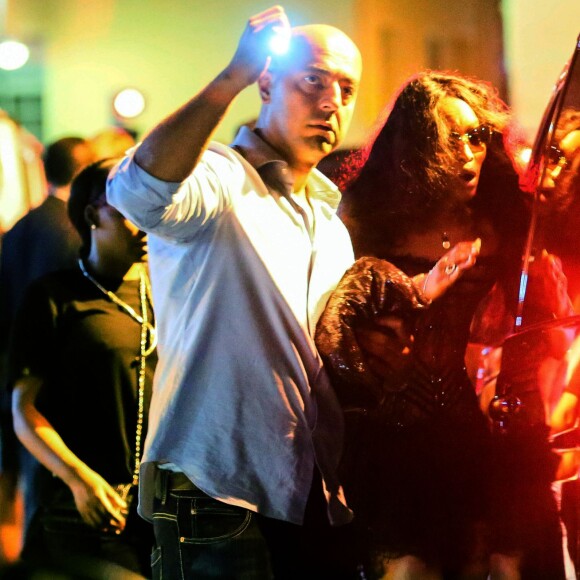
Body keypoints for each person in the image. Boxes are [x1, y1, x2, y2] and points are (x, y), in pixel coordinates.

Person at [317, 71, 568, 579]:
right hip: (398, 451)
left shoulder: (512, 216)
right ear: (413, 147)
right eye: (449, 138)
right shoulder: (362, 219)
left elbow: (551, 316)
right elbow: (331, 335)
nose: (469, 152)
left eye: (478, 136)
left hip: (500, 445)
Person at [8, 159, 156, 578]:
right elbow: (24, 410)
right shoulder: (55, 296)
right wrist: (79, 479)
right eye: (131, 209)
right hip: (80, 510)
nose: (146, 221)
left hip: (157, 514)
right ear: (93, 214)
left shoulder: (167, 293)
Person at [0, 136, 95, 559]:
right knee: (44, 486)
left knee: (21, 481)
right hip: (51, 383)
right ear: (84, 171)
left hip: (14, 368)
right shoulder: (70, 230)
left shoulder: (24, 224)